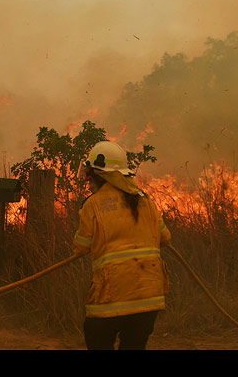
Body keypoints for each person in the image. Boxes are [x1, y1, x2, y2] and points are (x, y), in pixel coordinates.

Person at [73, 140, 171, 350]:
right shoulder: (147, 201)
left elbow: (80, 247)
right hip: (149, 297)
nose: (88, 180)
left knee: (96, 337)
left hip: (111, 297)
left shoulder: (93, 204)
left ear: (102, 175)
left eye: (90, 175)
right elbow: (166, 238)